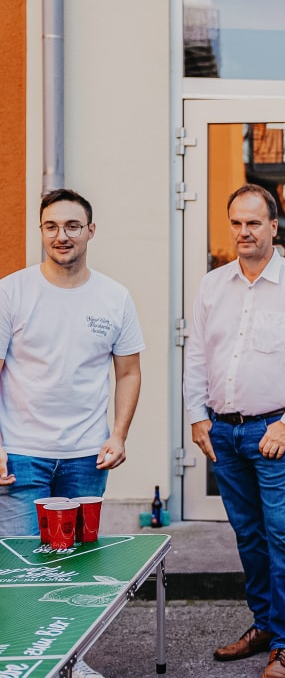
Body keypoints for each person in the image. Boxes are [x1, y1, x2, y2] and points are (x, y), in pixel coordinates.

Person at [183, 183, 285, 678]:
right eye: (236, 223)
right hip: (224, 434)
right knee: (249, 535)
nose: (244, 231)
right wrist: (197, 414)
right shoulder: (212, 285)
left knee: (283, 533)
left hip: (276, 433)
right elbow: (196, 356)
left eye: (254, 222)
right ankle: (264, 625)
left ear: (274, 226)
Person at [0, 188, 144, 678]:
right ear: (41, 231)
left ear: (90, 231)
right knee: (21, 571)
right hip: (22, 456)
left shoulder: (114, 296)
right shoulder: (11, 292)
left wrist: (118, 435)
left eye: (72, 226)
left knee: (76, 572)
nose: (61, 236)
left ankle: (71, 660)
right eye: (51, 226)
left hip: (87, 457)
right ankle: (23, 661)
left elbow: (129, 372)